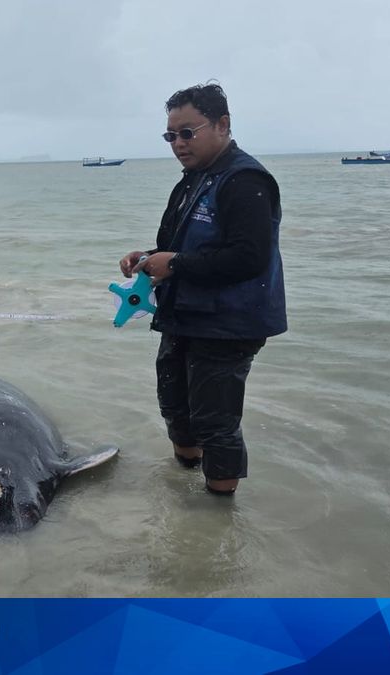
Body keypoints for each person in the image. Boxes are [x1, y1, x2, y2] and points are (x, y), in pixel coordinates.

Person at [117, 83, 286, 497]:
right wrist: (150, 257)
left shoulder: (245, 180)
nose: (177, 143)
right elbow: (190, 247)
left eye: (187, 133)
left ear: (222, 124)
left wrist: (173, 263)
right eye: (170, 135)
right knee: (175, 409)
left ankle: (217, 523)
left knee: (216, 424)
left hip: (228, 325)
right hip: (185, 315)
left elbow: (249, 258)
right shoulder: (195, 178)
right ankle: (182, 499)